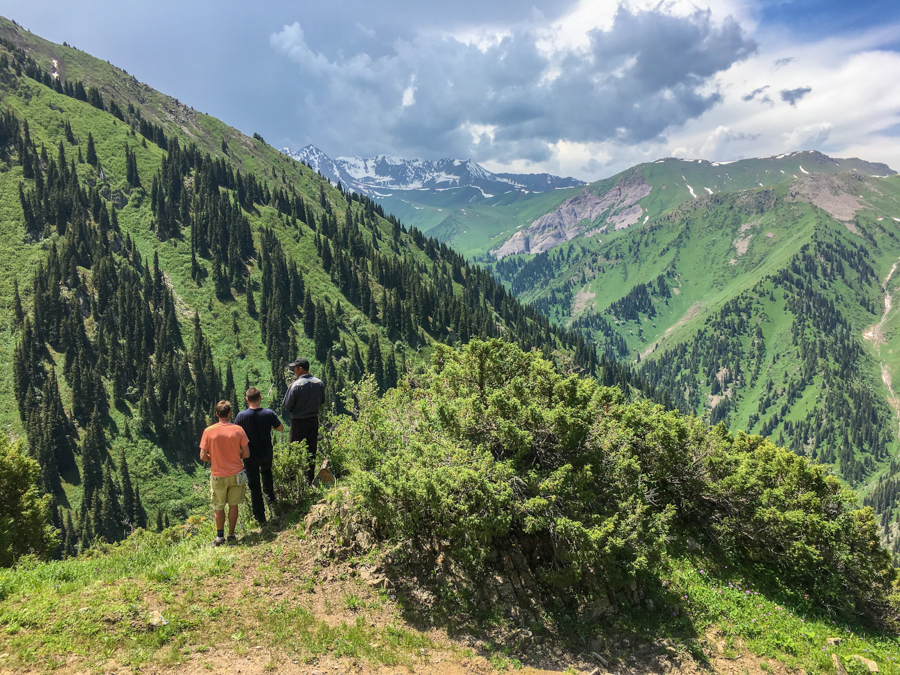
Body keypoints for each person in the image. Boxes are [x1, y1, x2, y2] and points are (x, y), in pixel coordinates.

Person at [199, 400, 250, 546]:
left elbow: (202, 456)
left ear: (217, 414)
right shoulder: (238, 430)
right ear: (229, 414)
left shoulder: (208, 431)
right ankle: (232, 534)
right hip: (236, 474)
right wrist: (234, 456)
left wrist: (215, 459)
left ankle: (219, 537)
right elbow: (246, 453)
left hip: (218, 475)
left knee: (219, 506)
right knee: (234, 505)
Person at [234, 386, 283, 526]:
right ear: (260, 397)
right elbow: (280, 428)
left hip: (249, 456)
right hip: (266, 453)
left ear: (247, 400)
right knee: (268, 481)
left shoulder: (241, 416)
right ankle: (274, 509)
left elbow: (236, 434)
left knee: (254, 487)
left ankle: (260, 518)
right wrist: (269, 426)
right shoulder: (269, 413)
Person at [282, 358, 325, 483]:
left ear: (300, 369)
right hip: (313, 420)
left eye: (295, 368)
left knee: (294, 451)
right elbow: (322, 401)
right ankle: (309, 480)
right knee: (311, 450)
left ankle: (291, 481)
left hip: (299, 422)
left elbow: (287, 405)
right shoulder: (319, 383)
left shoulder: (296, 385)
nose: (294, 370)